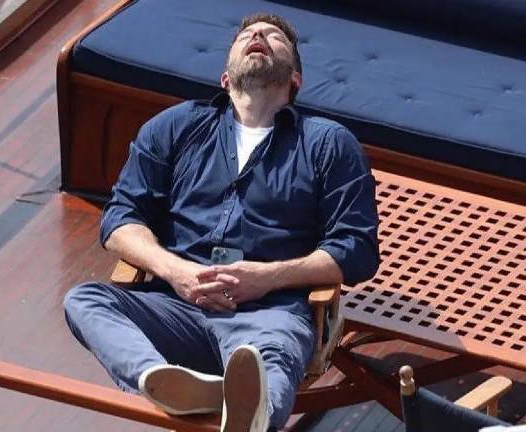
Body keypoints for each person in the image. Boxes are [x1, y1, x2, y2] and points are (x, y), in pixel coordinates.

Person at [64, 12, 380, 432]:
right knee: (85, 300)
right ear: (225, 79)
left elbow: (357, 249)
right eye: (246, 34)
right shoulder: (176, 127)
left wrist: (266, 277)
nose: (258, 35)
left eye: (274, 37)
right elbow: (121, 219)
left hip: (268, 314)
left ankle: (251, 416)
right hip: (176, 306)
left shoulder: (327, 144)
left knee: (271, 356)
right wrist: (176, 272)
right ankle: (163, 382)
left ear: (296, 80)